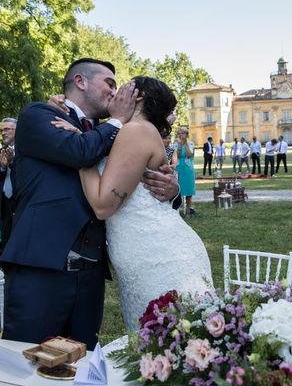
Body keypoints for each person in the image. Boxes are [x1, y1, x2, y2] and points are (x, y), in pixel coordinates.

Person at [0, 58, 179, 348]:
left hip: (91, 275)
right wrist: (118, 121)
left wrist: (171, 189)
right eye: (110, 83)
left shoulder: (112, 131)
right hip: (42, 268)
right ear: (80, 81)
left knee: (84, 365)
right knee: (27, 361)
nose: (116, 92)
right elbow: (80, 151)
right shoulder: (39, 114)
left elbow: (138, 175)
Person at [53, 76, 212, 330]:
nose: (114, 91)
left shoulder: (136, 131)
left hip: (157, 254)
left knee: (169, 344)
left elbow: (103, 205)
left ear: (138, 97)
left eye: (122, 86)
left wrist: (79, 148)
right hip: (144, 251)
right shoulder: (127, 130)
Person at [0, 118, 17, 258]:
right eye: (2, 130)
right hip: (3, 203)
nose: (3, 133)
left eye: (7, 129)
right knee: (6, 240)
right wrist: (2, 167)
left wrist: (13, 163)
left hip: (21, 201)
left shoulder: (27, 152)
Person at [175, 126, 196, 215]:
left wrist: (185, 143)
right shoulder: (175, 144)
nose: (181, 134)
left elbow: (189, 154)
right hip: (178, 169)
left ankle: (188, 210)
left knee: (188, 191)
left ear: (187, 134)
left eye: (184, 133)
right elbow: (177, 155)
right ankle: (177, 210)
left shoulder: (191, 143)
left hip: (188, 170)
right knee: (177, 190)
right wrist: (180, 144)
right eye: (180, 132)